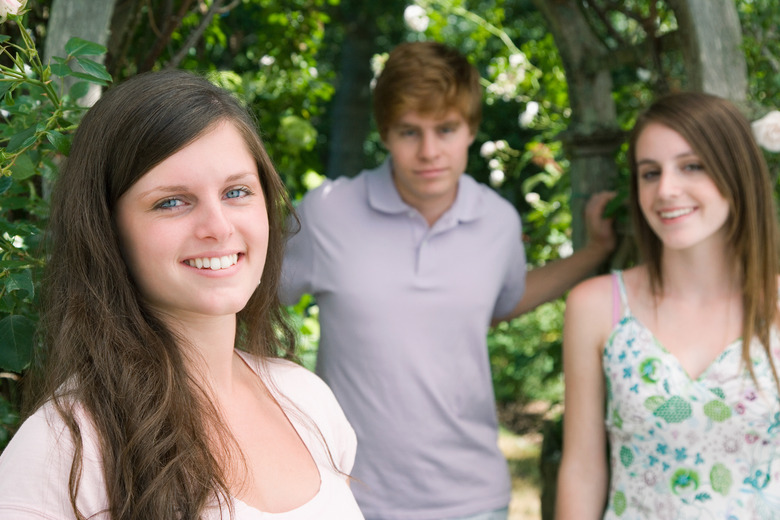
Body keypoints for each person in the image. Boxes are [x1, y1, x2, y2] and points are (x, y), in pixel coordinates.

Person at [0, 70, 364, 520]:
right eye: (172, 201)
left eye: (236, 192)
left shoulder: (308, 400)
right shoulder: (65, 448)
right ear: (106, 230)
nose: (218, 227)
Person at [280, 41, 616, 520]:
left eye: (446, 129)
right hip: (350, 499)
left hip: (472, 499)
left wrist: (595, 252)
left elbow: (505, 301)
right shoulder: (327, 214)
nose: (429, 152)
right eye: (409, 132)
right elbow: (245, 300)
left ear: (471, 129)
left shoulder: (497, 222)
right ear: (385, 132)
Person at [555, 92, 780, 519]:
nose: (666, 190)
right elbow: (582, 470)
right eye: (650, 173)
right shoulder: (598, 307)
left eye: (691, 166)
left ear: (737, 172)